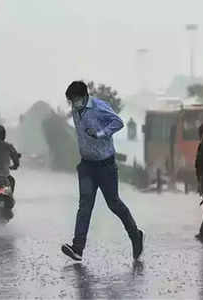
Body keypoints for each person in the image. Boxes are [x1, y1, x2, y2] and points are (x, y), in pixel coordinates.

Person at [61, 81, 144, 262]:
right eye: (71, 101)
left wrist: (100, 133)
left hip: (105, 165)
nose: (73, 103)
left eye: (75, 99)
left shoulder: (99, 107)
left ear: (84, 96)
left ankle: (135, 236)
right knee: (85, 206)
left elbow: (118, 122)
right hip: (86, 166)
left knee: (114, 204)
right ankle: (78, 248)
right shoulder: (75, 111)